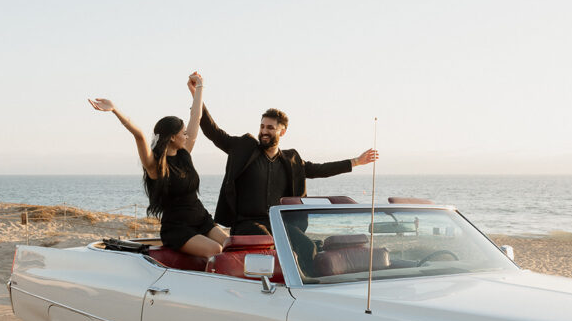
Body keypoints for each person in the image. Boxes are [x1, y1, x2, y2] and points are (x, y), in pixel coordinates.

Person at [188, 78, 377, 237]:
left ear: (282, 132)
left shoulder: (291, 160)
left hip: (280, 223)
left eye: (270, 128)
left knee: (306, 246)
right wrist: (198, 95)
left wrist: (356, 161)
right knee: (266, 238)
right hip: (247, 224)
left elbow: (320, 170)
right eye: (262, 127)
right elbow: (213, 132)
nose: (263, 131)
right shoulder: (244, 148)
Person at [88, 72, 228, 258]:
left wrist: (199, 88)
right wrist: (115, 110)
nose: (186, 136)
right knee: (215, 251)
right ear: (172, 137)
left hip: (202, 219)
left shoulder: (184, 154)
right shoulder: (154, 166)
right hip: (178, 229)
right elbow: (139, 135)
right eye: (183, 133)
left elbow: (196, 116)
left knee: (230, 244)